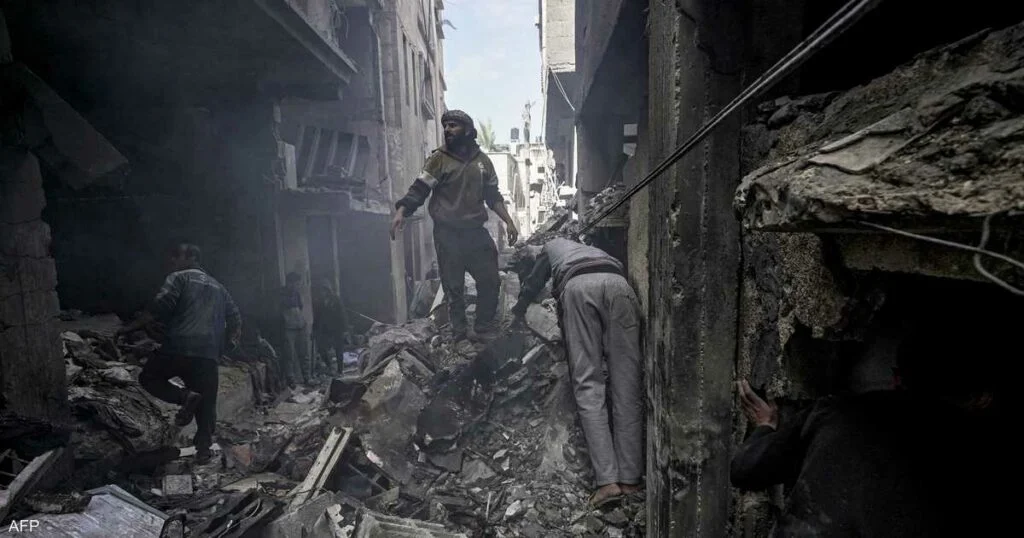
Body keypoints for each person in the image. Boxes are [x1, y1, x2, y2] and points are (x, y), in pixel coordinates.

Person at [731, 318, 1004, 537]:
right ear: (983, 398)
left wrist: (765, 424)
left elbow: (745, 468)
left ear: (897, 379)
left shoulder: (835, 412)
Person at [509, 237, 643, 508]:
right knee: (627, 384)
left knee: (588, 385)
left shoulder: (546, 249)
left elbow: (533, 283)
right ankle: (630, 479)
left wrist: (517, 312)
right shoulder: (587, 248)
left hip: (580, 288)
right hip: (620, 286)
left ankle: (607, 482)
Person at [390, 109, 519, 342]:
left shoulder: (483, 162)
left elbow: (493, 196)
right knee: (454, 287)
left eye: (453, 125)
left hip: (475, 232)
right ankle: (459, 335)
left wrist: (508, 221)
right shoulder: (438, 159)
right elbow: (420, 189)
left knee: (490, 280)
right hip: (448, 233)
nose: (447, 130)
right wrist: (402, 211)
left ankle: (482, 327)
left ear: (468, 131)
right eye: (446, 126)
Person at [117, 244, 240, 464]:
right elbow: (235, 318)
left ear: (191, 257)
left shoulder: (179, 278)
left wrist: (130, 328)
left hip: (178, 346)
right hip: (208, 354)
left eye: (176, 257)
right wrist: (228, 344)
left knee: (149, 377)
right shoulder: (220, 288)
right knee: (207, 403)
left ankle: (185, 396)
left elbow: (161, 306)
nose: (172, 262)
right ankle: (203, 451)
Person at [312, 279, 350, 376]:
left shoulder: (336, 300)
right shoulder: (319, 302)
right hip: (325, 330)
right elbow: (316, 317)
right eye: (321, 291)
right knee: (322, 349)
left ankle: (340, 370)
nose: (322, 293)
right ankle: (330, 367)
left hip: (337, 328)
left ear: (328, 290)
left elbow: (342, 315)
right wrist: (314, 330)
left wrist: (345, 329)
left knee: (339, 350)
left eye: (324, 290)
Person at [279, 272, 310, 386]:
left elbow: (300, 306)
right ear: (289, 283)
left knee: (304, 353)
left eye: (298, 284)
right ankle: (290, 379)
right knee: (289, 355)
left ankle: (307, 377)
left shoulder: (297, 294)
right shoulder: (281, 294)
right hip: (288, 328)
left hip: (300, 326)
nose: (296, 286)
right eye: (295, 284)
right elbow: (285, 305)